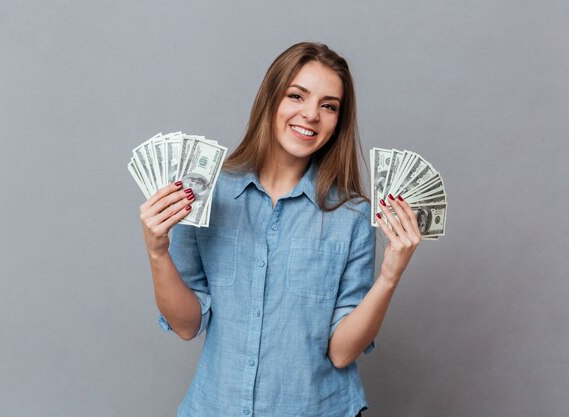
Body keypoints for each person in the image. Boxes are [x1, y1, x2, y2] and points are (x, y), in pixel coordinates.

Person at [139, 42, 422, 417]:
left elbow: (341, 352)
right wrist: (157, 251)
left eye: (328, 105)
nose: (310, 115)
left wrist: (389, 276)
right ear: (271, 100)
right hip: (215, 407)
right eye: (296, 95)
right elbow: (187, 324)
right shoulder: (205, 193)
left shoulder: (352, 215)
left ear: (338, 121)